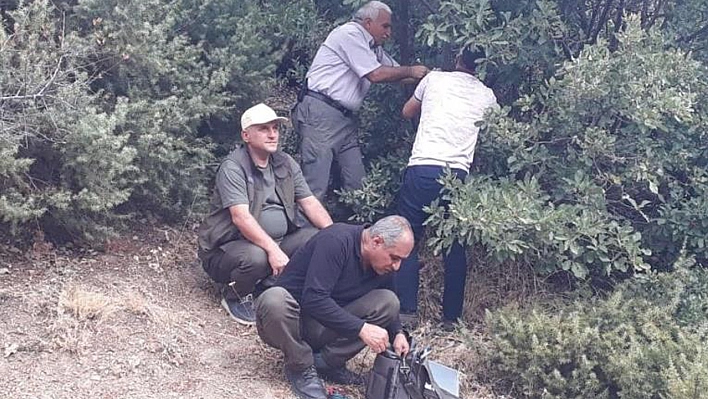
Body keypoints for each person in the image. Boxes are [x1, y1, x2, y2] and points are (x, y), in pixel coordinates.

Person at [198, 103, 333, 326]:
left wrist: (336, 236)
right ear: (246, 135)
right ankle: (236, 296)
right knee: (256, 257)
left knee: (318, 239)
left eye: (275, 128)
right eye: (263, 129)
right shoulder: (233, 167)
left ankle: (271, 286)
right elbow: (241, 217)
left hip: (278, 242)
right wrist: (273, 251)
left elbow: (310, 204)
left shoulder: (286, 163)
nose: (272, 134)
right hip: (229, 249)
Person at [394, 47, 499, 331]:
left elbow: (407, 112)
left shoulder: (435, 79)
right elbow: (496, 131)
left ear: (457, 60)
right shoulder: (487, 95)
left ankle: (406, 311)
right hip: (457, 175)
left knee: (408, 237)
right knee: (454, 247)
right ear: (482, 66)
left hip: (422, 166)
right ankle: (451, 318)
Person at [254, 215, 414, 399]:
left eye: (401, 260)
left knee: (389, 301)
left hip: (326, 325)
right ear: (376, 242)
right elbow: (314, 299)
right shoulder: (336, 241)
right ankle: (301, 366)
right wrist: (361, 328)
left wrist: (398, 333)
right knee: (274, 299)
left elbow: (388, 296)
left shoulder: (382, 264)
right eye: (394, 258)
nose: (396, 266)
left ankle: (326, 363)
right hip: (292, 323)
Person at [291, 1, 429, 204]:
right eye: (385, 26)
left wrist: (431, 80)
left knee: (358, 185)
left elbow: (397, 74)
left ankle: (357, 233)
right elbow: (376, 74)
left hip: (345, 120)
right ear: (368, 22)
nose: (388, 33)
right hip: (322, 113)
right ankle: (303, 234)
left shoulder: (374, 49)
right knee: (315, 185)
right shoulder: (350, 34)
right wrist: (411, 71)